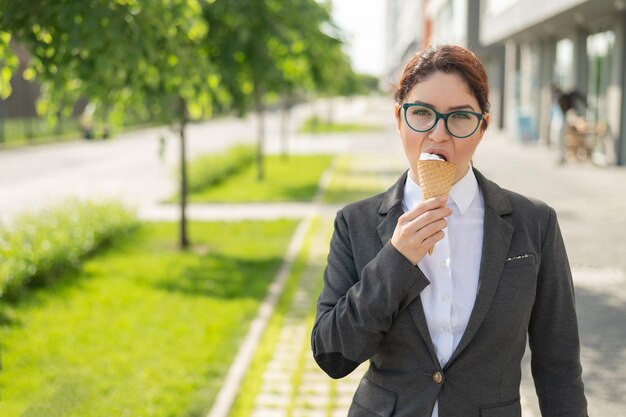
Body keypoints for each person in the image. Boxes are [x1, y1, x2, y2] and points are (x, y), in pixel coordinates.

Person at [311, 44, 588, 417]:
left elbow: (559, 367)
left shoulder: (533, 223)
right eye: (422, 113)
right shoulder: (355, 222)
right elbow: (333, 355)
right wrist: (395, 261)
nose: (438, 134)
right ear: (398, 119)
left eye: (459, 117)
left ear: (483, 127)